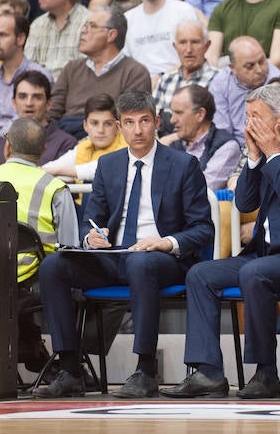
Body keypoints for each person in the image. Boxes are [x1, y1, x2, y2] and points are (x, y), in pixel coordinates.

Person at [161, 82, 280, 399]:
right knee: (201, 274)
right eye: (246, 116)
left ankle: (265, 372)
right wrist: (256, 159)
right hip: (267, 252)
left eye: (254, 116)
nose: (248, 124)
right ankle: (208, 372)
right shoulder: (263, 146)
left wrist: (273, 154)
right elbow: (245, 203)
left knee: (254, 273)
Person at [33, 90, 214, 399]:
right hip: (114, 256)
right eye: (129, 123)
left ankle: (145, 371)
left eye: (144, 121)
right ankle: (70, 370)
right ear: (119, 126)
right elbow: (94, 218)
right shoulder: (109, 165)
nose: (138, 130)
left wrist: (165, 242)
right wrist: (92, 237)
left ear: (157, 121)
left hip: (161, 259)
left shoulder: (184, 165)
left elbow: (202, 229)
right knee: (53, 266)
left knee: (140, 263)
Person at [0, 116, 79, 370]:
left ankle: (27, 346)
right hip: (37, 285)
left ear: (7, 146)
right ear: (43, 150)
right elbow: (71, 248)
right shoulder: (55, 188)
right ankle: (63, 362)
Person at [48, 8, 151, 138]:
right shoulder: (72, 68)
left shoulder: (135, 72)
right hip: (66, 138)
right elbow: (52, 111)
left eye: (92, 26)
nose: (84, 30)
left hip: (107, 140)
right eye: (85, 25)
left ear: (111, 35)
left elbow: (130, 121)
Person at [0, 12, 52, 137]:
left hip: (18, 142)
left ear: (20, 39)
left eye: (2, 35)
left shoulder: (40, 75)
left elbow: (31, 119)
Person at [124, 0, 200, 79]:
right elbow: (125, 65)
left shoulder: (183, 11)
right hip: (140, 86)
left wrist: (160, 79)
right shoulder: (127, 19)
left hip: (180, 80)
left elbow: (195, 56)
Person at [0, 70, 76, 170]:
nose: (29, 103)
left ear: (49, 104)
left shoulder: (66, 144)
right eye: (22, 96)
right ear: (14, 103)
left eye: (37, 97)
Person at [209, 36, 280, 146]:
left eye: (262, 61)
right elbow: (221, 131)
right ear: (233, 68)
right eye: (250, 66)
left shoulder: (278, 83)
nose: (259, 70)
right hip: (231, 149)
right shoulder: (221, 83)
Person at [167, 84, 242, 191]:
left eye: (179, 113)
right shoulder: (173, 145)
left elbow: (203, 190)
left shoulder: (226, 146)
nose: (172, 120)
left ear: (200, 114)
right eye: (172, 113)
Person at [43, 93, 128, 182]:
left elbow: (103, 168)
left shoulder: (128, 145)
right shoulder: (84, 145)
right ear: (85, 126)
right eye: (94, 123)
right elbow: (54, 167)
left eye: (108, 124)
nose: (101, 130)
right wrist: (39, 171)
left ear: (117, 126)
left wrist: (58, 171)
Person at [25, 0, 90, 79]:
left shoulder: (89, 23)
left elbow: (87, 74)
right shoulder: (37, 25)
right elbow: (28, 70)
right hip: (41, 93)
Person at [153, 20, 219, 134]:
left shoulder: (218, 80)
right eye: (183, 43)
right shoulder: (165, 81)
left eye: (195, 42)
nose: (189, 49)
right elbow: (152, 123)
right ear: (175, 47)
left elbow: (216, 127)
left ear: (207, 45)